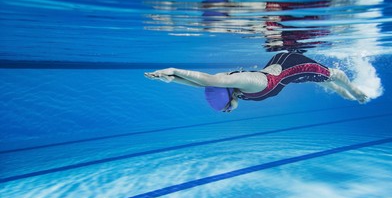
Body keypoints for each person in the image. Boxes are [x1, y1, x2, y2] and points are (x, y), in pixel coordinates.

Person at [144, 52, 369, 112]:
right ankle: (341, 92)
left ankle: (354, 91)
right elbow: (203, 85)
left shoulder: (248, 82)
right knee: (317, 80)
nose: (228, 112)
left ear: (228, 97)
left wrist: (173, 69)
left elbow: (209, 79)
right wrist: (171, 80)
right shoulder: (237, 92)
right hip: (286, 73)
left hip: (293, 64)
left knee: (333, 75)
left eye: (225, 109)